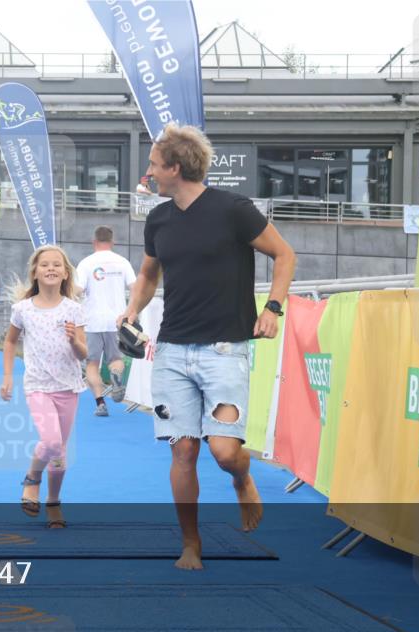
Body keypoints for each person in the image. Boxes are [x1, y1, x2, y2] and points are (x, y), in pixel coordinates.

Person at [119, 123, 296, 570]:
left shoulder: (234, 210)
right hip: (173, 351)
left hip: (225, 351)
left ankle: (242, 479)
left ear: (175, 168)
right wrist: (131, 311)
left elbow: (285, 255)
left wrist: (272, 307)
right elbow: (147, 274)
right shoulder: (158, 218)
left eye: (155, 165)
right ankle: (191, 544)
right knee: (184, 450)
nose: (150, 171)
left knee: (223, 451)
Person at [0, 245, 86, 529]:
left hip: (68, 388)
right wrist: (8, 377)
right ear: (35, 272)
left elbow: (83, 354)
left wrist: (75, 341)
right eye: (45, 264)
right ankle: (31, 479)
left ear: (65, 273)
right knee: (50, 442)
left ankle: (53, 502)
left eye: (56, 265)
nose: (51, 268)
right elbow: (10, 342)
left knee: (59, 454)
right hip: (37, 385)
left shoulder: (74, 309)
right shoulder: (22, 309)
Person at [75, 225, 137, 416]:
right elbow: (135, 288)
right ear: (112, 242)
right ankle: (116, 376)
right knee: (116, 359)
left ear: (94, 242)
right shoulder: (122, 262)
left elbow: (77, 291)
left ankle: (101, 404)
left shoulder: (86, 263)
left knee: (92, 364)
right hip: (117, 321)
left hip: (92, 321)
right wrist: (130, 312)